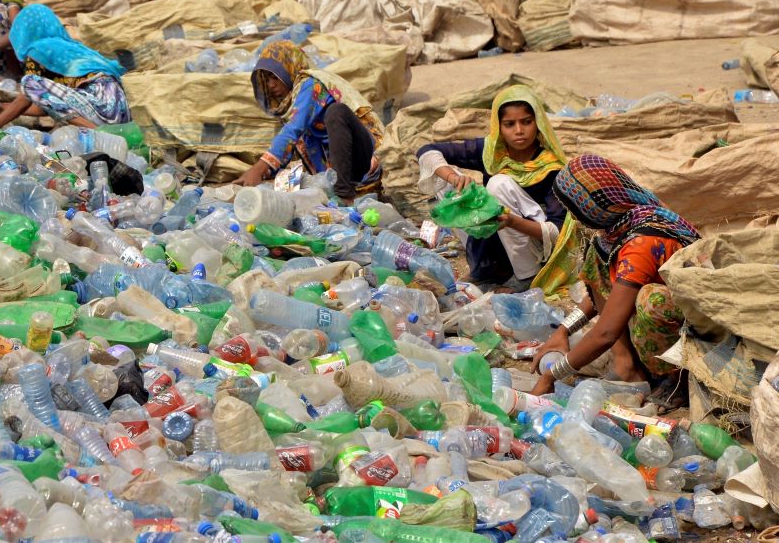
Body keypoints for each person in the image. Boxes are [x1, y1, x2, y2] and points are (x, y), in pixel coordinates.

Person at [529, 154, 701, 401]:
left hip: (692, 325)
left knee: (652, 301)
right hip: (665, 315)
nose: (572, 216)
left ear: (591, 204)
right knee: (598, 253)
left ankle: (677, 380)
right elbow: (607, 285)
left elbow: (606, 331)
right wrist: (564, 330)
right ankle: (627, 366)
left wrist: (551, 376)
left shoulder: (642, 240)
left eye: (573, 208)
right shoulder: (620, 226)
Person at [415, 85, 578, 294]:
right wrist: (453, 177)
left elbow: (557, 231)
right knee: (447, 180)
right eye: (509, 124)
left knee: (498, 184)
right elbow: (427, 151)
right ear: (498, 126)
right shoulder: (491, 151)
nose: (519, 131)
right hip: (496, 234)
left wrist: (512, 221)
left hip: (531, 245)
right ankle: (487, 267)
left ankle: (526, 275)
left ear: (538, 123)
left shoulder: (551, 168)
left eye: (526, 122)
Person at [233, 41, 383, 205]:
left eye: (275, 77)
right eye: (267, 80)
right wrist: (263, 174)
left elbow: (293, 129)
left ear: (289, 68)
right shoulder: (290, 104)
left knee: (336, 112)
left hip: (364, 160)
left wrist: (259, 167)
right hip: (338, 172)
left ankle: (344, 198)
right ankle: (339, 194)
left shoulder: (310, 85)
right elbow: (288, 149)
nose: (271, 85)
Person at [0, 4, 131, 129]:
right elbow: (46, 104)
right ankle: (99, 130)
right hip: (120, 111)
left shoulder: (38, 50)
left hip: (102, 107)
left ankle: (98, 132)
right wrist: (3, 107)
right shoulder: (70, 47)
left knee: (29, 83)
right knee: (36, 89)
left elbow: (27, 95)